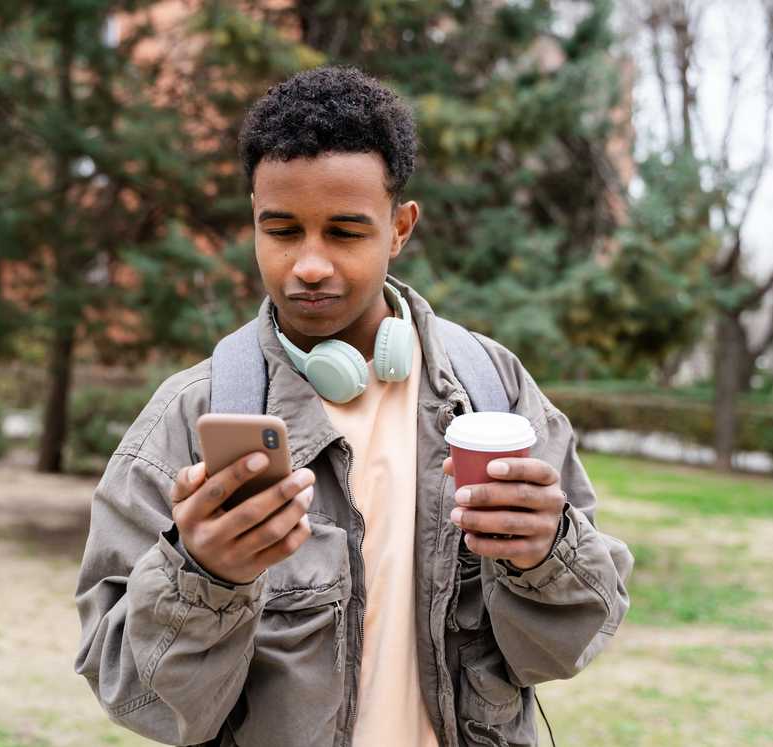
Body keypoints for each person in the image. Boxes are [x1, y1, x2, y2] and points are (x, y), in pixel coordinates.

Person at [74, 65, 633, 747]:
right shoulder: (195, 414)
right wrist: (203, 576)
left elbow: (564, 647)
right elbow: (138, 699)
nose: (309, 264)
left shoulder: (493, 391)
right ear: (253, 220)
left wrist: (545, 553)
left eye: (343, 232)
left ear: (399, 228)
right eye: (282, 231)